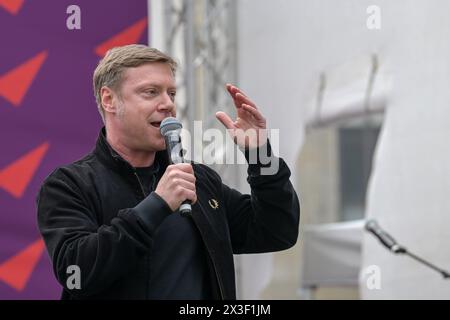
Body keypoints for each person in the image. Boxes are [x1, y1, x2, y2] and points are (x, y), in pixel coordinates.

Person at [37, 44, 300, 300]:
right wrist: (157, 205)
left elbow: (276, 232)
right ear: (109, 100)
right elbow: (77, 273)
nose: (167, 104)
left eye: (171, 93)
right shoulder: (69, 185)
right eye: (151, 92)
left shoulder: (199, 179)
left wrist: (260, 154)